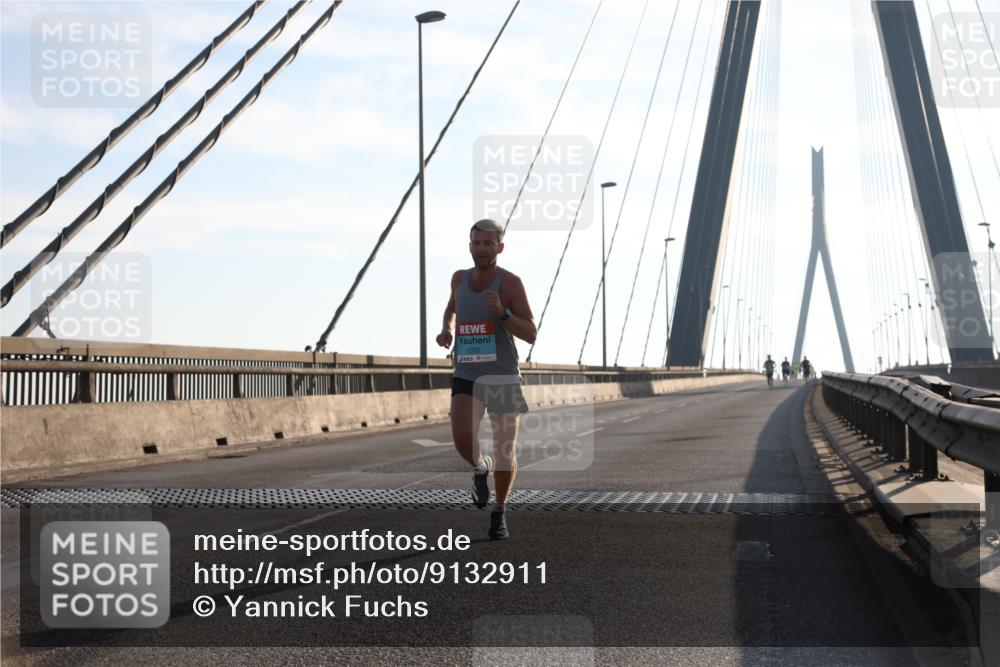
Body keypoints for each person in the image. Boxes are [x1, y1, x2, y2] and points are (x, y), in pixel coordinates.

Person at [436, 218, 537, 540]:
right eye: (476, 243)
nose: (481, 249)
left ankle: (499, 511)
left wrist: (503, 314)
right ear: (470, 246)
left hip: (503, 377)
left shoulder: (509, 283)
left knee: (505, 447)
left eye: (488, 244)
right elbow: (451, 309)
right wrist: (446, 329)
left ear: (500, 248)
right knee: (462, 438)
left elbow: (531, 333)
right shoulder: (459, 279)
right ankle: (480, 468)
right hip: (466, 370)